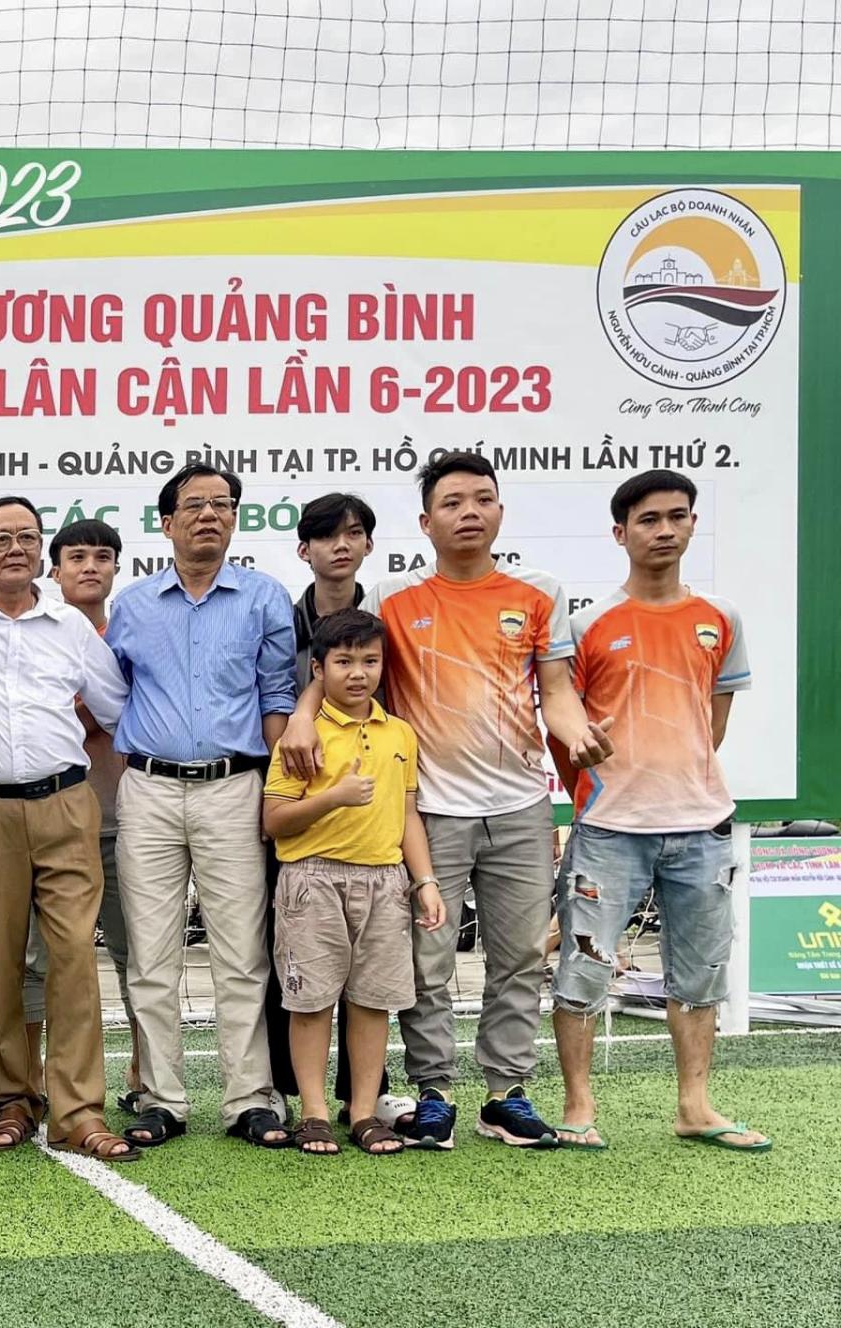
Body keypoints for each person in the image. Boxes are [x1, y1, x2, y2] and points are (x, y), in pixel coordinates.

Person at [278, 451, 615, 1151]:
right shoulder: (393, 599)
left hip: (520, 807)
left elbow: (556, 693)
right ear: (426, 521)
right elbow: (339, 658)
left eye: (482, 499)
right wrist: (304, 715)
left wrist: (579, 733)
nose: (469, 513)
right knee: (427, 963)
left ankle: (505, 1093)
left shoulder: (539, 593)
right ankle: (434, 1092)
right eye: (453, 503)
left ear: (500, 512)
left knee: (518, 956)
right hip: (430, 808)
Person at [547, 470, 767, 1152]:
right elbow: (564, 727)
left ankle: (695, 1106)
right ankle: (578, 1106)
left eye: (677, 516)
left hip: (701, 826)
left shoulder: (720, 619)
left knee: (700, 972)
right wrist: (593, 784)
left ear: (694, 524)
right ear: (620, 533)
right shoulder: (587, 626)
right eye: (648, 519)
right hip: (610, 830)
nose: (664, 530)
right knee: (584, 967)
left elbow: (714, 725)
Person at [0, 496, 138, 1161]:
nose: (16, 549)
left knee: (74, 958)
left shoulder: (71, 626)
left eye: (28, 537)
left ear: (42, 550)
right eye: (1, 539)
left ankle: (79, 1112)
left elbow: (119, 710)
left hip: (66, 805)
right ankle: (13, 1099)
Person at [106, 462, 297, 1150]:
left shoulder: (264, 598)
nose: (209, 515)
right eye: (194, 505)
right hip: (150, 790)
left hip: (234, 787)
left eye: (222, 504)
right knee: (150, 956)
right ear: (166, 523)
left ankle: (249, 1099)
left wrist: (275, 788)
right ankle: (160, 1098)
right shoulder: (132, 605)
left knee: (241, 954)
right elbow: (112, 693)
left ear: (236, 518)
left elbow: (278, 695)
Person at [262, 609, 445, 1156]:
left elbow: (408, 814)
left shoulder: (400, 733)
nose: (358, 673)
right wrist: (332, 798)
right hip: (313, 879)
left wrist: (424, 880)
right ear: (318, 669)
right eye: (343, 662)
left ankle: (363, 1111)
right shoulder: (302, 736)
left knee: (372, 1001)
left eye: (370, 661)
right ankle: (314, 1112)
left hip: (385, 882)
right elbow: (273, 821)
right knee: (311, 1001)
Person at [18, 519, 140, 1111]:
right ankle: (31, 1081)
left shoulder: (134, 634)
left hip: (122, 820)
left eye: (102, 557)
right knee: (36, 958)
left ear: (117, 567)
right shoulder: (34, 635)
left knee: (135, 954)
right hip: (49, 821)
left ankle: (143, 1074)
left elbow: (127, 714)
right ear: (55, 569)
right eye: (77, 557)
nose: (90, 567)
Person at [277, 493, 384, 1123]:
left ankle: (363, 1098)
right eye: (326, 536)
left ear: (368, 544)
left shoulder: (385, 614)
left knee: (370, 973)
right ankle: (291, 1093)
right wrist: (299, 721)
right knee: (298, 962)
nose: (340, 546)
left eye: (353, 534)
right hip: (297, 799)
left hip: (374, 810)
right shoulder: (282, 619)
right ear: (305, 549)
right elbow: (271, 695)